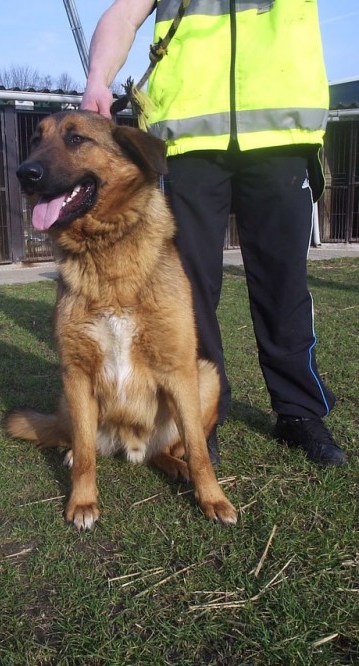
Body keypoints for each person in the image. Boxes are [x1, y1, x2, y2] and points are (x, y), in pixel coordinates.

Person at [81, 0, 346, 466]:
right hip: (189, 141)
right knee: (189, 291)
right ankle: (201, 417)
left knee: (284, 284)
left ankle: (300, 413)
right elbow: (123, 15)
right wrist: (97, 79)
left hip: (281, 132)